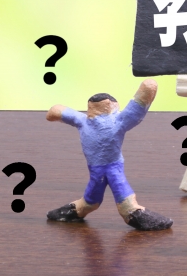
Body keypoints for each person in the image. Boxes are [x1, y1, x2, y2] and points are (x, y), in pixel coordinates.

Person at [45, 79, 173, 230]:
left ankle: (81, 209)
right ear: (112, 107)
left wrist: (55, 113)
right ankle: (131, 212)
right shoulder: (117, 121)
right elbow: (135, 111)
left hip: (96, 168)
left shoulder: (83, 121)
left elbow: (57, 111)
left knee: (92, 198)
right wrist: (147, 89)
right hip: (112, 168)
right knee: (117, 194)